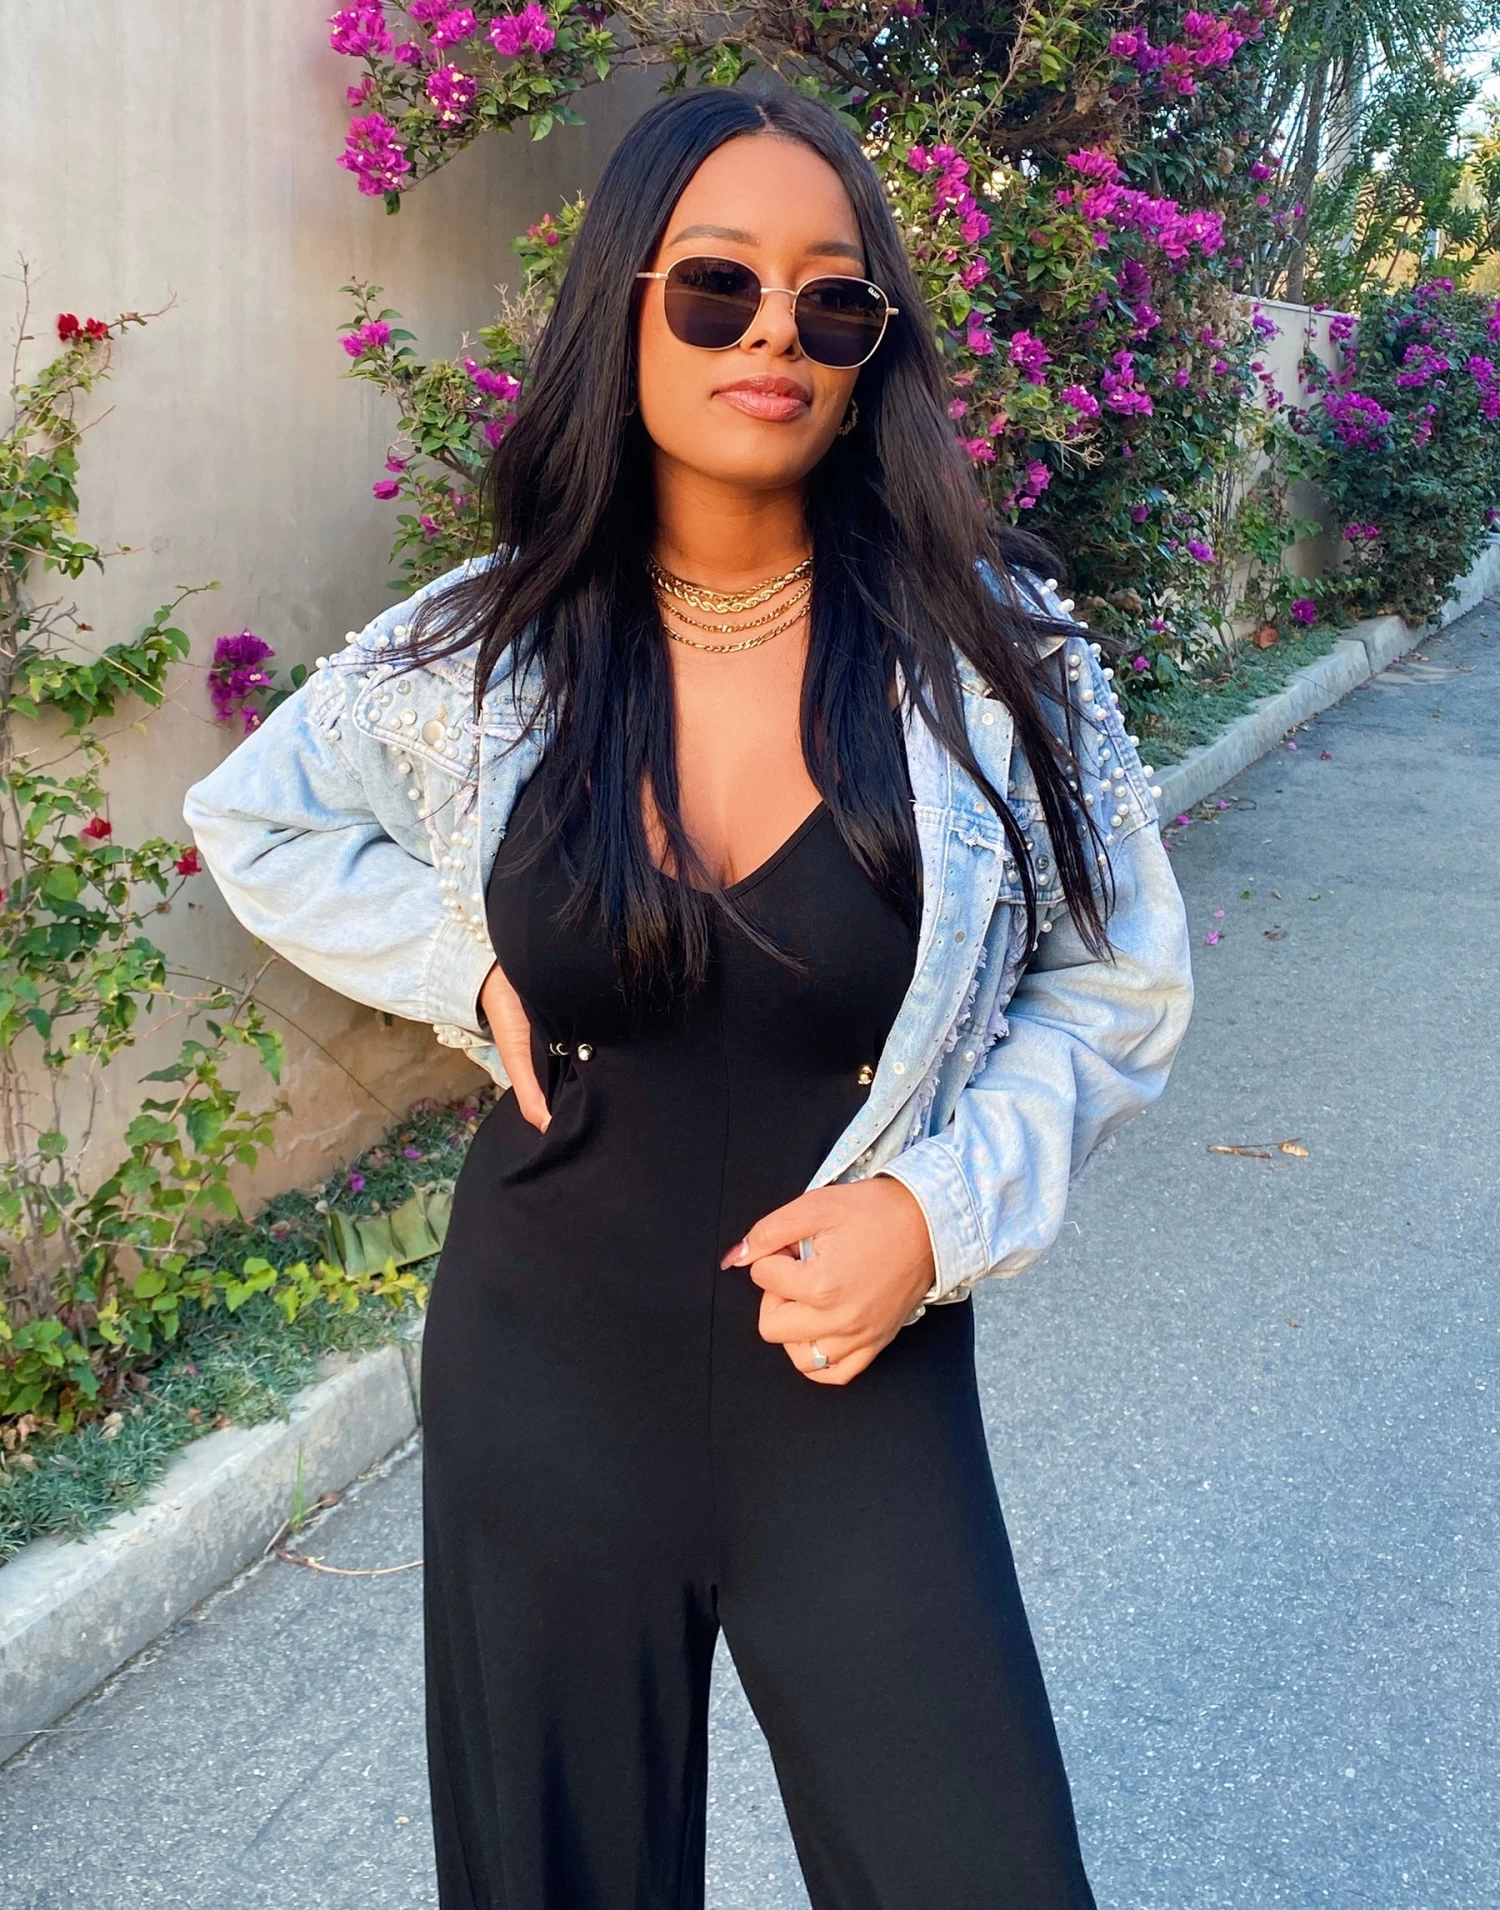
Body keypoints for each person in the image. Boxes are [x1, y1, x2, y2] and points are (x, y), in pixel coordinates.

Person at [184, 83, 1192, 1910]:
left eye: (833, 301)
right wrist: (463, 962)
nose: (774, 336)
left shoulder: (994, 658)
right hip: (543, 1379)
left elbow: (1120, 980)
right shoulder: (482, 648)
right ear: (625, 307)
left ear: (872, 351)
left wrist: (935, 1207)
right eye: (720, 287)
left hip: (857, 1386)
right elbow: (256, 818)